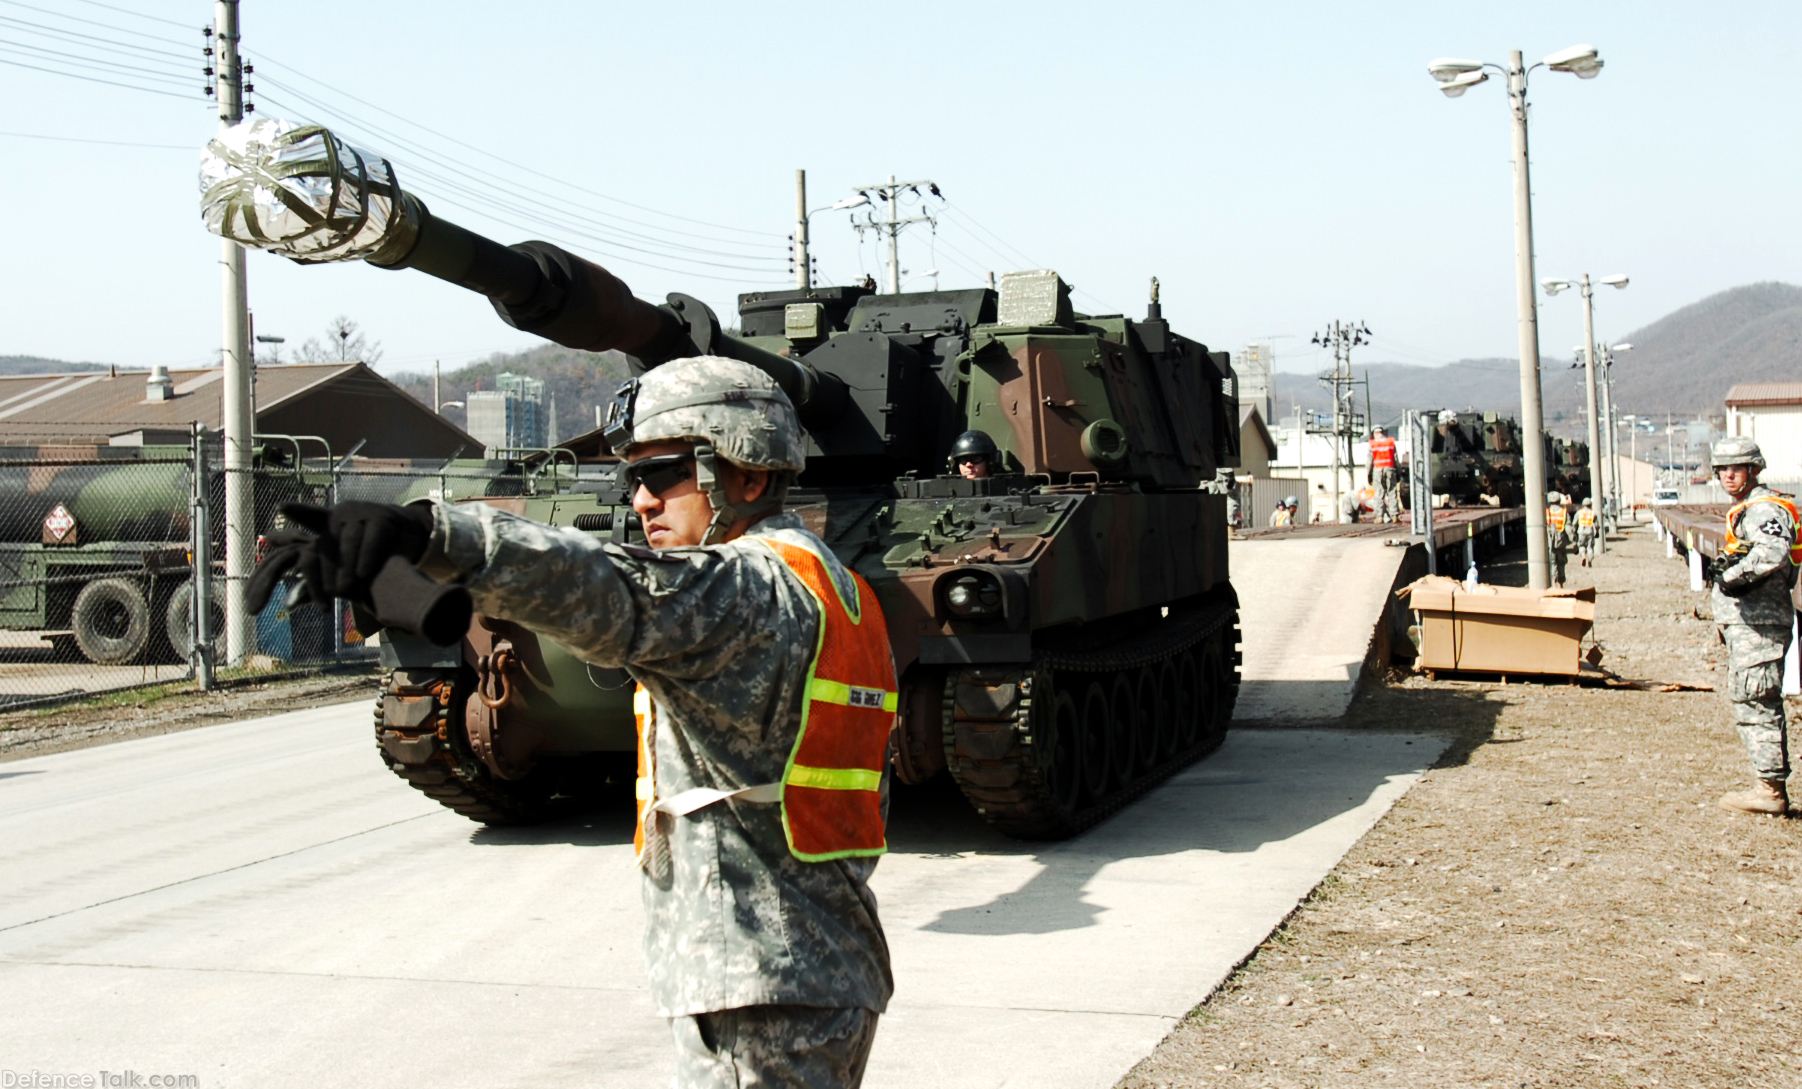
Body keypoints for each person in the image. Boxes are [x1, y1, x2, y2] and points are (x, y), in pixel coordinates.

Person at [261, 357, 897, 1085]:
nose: (642, 500)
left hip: (760, 986)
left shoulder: (745, 590)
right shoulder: (832, 584)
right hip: (822, 964)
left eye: (661, 473)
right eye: (632, 479)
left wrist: (430, 536)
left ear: (748, 475)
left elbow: (606, 585)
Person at [1707, 437, 1797, 816]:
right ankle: (1767, 783)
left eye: (1737, 467)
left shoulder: (1763, 509)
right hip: (1752, 623)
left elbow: (1774, 551)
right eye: (1722, 469)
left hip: (1760, 624)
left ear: (1754, 469)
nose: (1728, 474)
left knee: (1757, 700)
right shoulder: (1749, 508)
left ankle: (1770, 790)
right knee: (1751, 699)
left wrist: (1733, 577)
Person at [1368, 425, 1400, 522]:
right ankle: (1394, 515)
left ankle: (1380, 517)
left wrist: (1369, 474)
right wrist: (1398, 471)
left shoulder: (1372, 444)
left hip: (1377, 470)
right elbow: (1396, 459)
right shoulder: (1390, 442)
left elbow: (1369, 461)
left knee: (1379, 493)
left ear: (1375, 433)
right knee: (1392, 491)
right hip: (1390, 469)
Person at [1545, 490, 1572, 588]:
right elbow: (1568, 528)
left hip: (1549, 541)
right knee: (1561, 562)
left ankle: (1553, 582)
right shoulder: (1563, 512)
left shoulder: (1546, 512)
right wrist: (1573, 539)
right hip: (1561, 541)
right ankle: (1561, 584)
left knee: (1552, 562)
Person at [1575, 497, 1599, 566]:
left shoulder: (1579, 512)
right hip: (1590, 532)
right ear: (1590, 504)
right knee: (1590, 547)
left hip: (1581, 532)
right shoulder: (1593, 513)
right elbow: (1597, 525)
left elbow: (1574, 523)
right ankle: (1590, 560)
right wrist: (1597, 531)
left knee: (1581, 546)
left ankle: (1583, 557)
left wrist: (1574, 531)